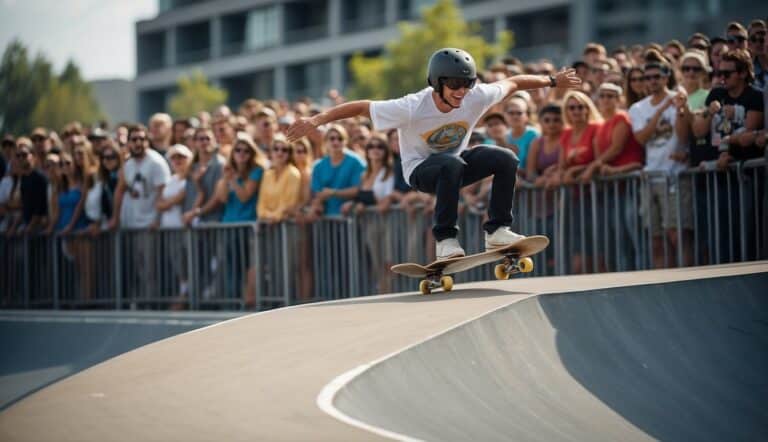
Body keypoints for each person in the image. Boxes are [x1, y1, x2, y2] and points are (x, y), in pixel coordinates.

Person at [287, 47, 581, 259]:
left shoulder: (475, 96)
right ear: (437, 83)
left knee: (505, 158)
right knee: (449, 163)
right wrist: (315, 121)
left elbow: (514, 83)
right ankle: (445, 239)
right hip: (420, 172)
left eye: (466, 84)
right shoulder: (412, 106)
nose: (461, 91)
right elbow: (362, 106)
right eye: (454, 85)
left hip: (454, 166)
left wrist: (552, 81)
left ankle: (497, 231)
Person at [628, 60, 690, 268]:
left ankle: (686, 282)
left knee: (676, 234)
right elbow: (641, 138)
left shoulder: (679, 99)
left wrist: (680, 109)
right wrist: (661, 110)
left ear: (666, 77)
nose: (652, 81)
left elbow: (682, 137)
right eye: (647, 77)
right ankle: (663, 284)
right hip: (651, 177)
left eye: (656, 76)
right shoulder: (638, 108)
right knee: (656, 239)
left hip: (674, 176)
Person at [305, 125, 366, 219]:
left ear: (346, 141)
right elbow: (317, 192)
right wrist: (317, 203)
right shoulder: (318, 166)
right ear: (325, 142)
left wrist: (333, 192)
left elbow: (359, 189)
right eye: (332, 138)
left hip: (352, 219)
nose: (336, 142)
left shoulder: (356, 162)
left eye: (340, 138)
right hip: (327, 220)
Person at [181, 127, 226, 225]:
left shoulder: (220, 164)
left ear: (214, 141)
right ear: (195, 142)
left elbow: (217, 197)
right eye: (201, 139)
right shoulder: (192, 167)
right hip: (192, 222)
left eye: (208, 138)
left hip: (214, 221)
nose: (205, 142)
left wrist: (196, 213)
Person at [258, 136, 301, 223]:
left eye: (284, 150)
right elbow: (261, 202)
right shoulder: (267, 174)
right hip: (267, 223)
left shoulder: (293, 173)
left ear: (289, 153)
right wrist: (265, 215)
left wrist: (275, 217)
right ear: (271, 152)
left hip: (286, 224)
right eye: (276, 149)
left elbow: (289, 203)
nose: (279, 152)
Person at [156, 144, 193, 228]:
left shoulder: (191, 180)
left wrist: (166, 203)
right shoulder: (170, 179)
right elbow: (158, 204)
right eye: (173, 158)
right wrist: (170, 202)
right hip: (166, 228)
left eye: (181, 157)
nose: (177, 160)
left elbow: (179, 198)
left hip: (184, 228)